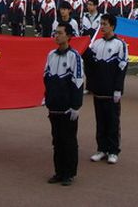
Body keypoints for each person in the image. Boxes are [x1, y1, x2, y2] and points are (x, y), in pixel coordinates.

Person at [83, 14, 128, 165]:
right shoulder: (96, 44)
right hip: (99, 90)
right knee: (100, 120)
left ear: (113, 26)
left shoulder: (120, 45)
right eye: (101, 24)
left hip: (111, 91)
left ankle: (113, 150)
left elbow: (122, 68)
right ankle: (101, 149)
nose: (102, 26)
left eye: (105, 24)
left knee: (113, 121)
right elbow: (91, 65)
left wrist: (118, 89)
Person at [44, 23, 85, 186]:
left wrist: (76, 106)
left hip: (68, 108)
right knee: (57, 140)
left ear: (68, 36)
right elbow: (46, 78)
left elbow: (78, 81)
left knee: (68, 140)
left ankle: (69, 173)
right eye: (55, 33)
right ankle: (59, 171)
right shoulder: (51, 55)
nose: (56, 36)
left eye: (60, 33)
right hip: (54, 106)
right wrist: (48, 99)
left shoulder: (75, 57)